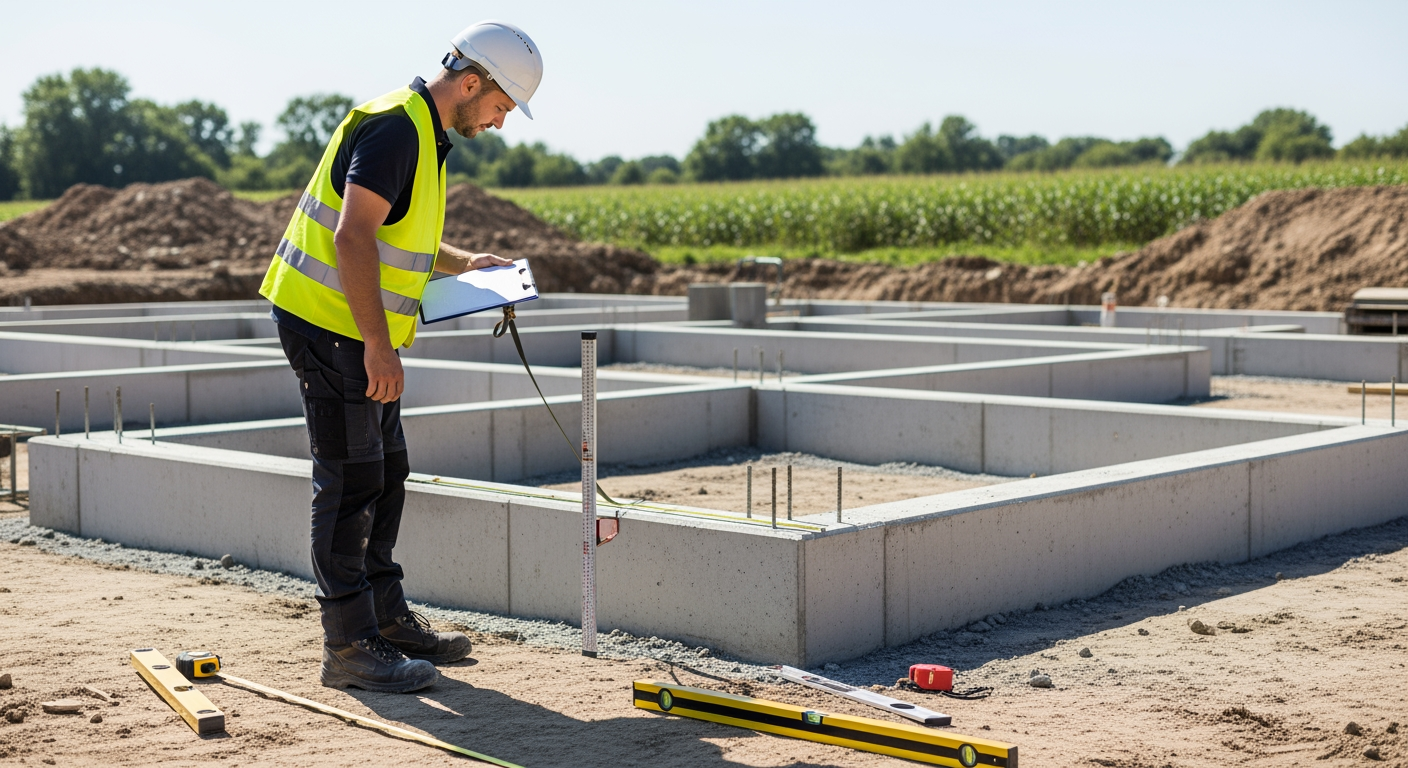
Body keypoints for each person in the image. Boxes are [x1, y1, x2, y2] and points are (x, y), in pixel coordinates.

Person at [258, 21, 544, 693]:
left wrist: (467, 262)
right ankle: (350, 647)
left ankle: (384, 622)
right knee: (351, 481)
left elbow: (390, 226)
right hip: (331, 327)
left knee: (387, 471)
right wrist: (380, 347)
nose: (500, 123)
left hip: (352, 329)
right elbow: (353, 238)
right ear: (473, 83)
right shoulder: (395, 128)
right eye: (502, 107)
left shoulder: (423, 131)